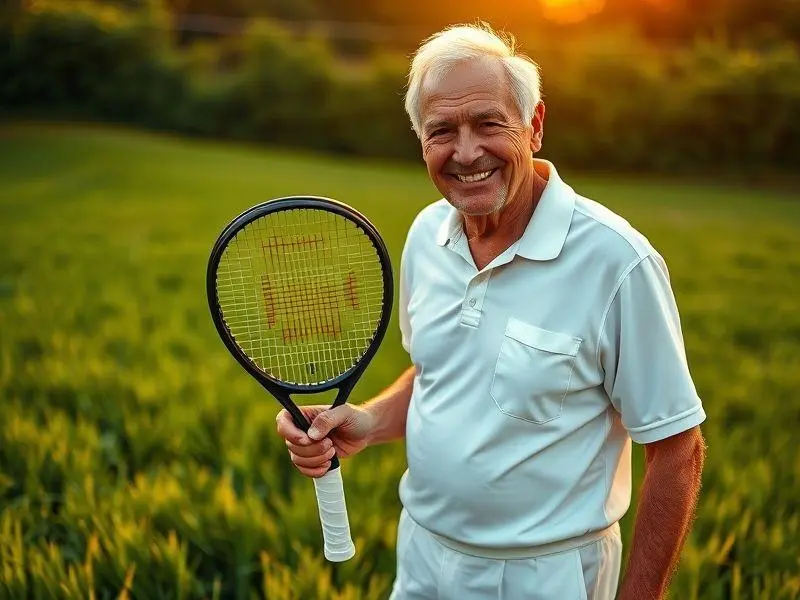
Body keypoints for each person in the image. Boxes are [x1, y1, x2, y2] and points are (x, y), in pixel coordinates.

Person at [275, 22, 706, 600]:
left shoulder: (616, 261)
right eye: (442, 131)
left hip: (546, 576)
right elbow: (443, 371)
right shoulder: (428, 235)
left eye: (489, 123)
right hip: (423, 556)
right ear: (421, 142)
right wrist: (369, 422)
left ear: (534, 125)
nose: (467, 152)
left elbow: (678, 448)